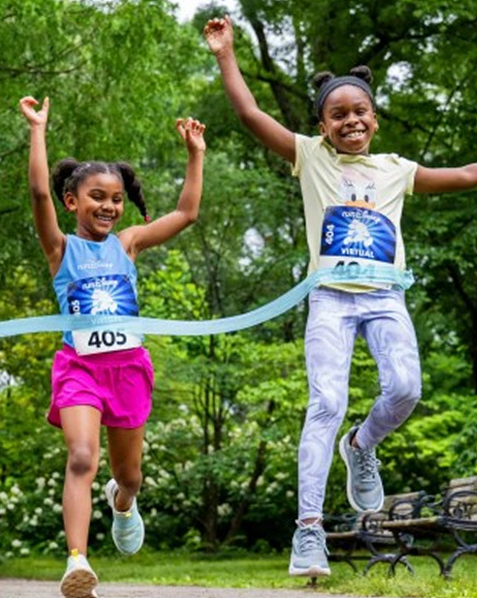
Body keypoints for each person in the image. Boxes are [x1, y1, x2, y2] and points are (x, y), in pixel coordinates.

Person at [204, 15, 477, 578]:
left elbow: (467, 174)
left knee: (406, 388)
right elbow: (251, 115)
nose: (351, 120)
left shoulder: (397, 170)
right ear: (323, 125)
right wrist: (226, 54)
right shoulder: (310, 157)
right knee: (325, 403)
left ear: (374, 118)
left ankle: (362, 444)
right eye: (338, 114)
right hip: (330, 299)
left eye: (360, 111)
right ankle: (308, 531)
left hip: (385, 298)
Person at [19, 95, 206, 598]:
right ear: (72, 202)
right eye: (97, 197)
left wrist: (195, 154)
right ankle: (77, 563)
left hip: (128, 369)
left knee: (130, 475)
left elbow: (187, 212)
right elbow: (37, 193)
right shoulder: (61, 248)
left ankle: (123, 503)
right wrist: (38, 130)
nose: (108, 206)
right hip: (79, 368)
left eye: (116, 199)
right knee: (82, 457)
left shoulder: (128, 244)